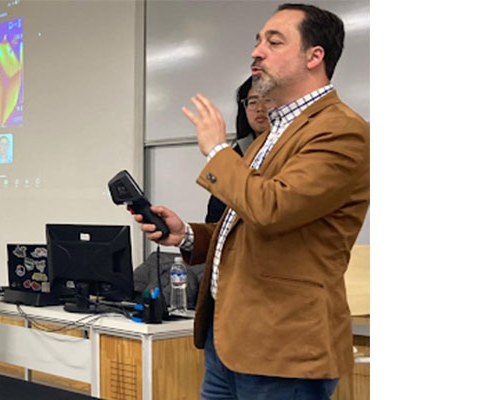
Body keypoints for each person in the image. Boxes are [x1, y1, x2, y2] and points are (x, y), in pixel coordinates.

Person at [134, 4, 369, 399]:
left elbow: (272, 209)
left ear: (315, 56)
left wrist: (216, 150)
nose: (256, 52)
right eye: (257, 41)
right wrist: (189, 235)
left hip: (283, 349)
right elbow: (246, 227)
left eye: (273, 42)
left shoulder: (341, 130)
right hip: (228, 342)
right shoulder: (272, 133)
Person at [205, 77, 273, 223]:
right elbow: (215, 216)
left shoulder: (295, 149)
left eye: (267, 100)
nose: (260, 108)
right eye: (253, 102)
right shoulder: (235, 154)